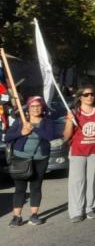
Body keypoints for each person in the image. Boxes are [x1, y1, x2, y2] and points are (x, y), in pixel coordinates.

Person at [64, 85, 95, 223]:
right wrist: (69, 121)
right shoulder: (74, 113)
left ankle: (89, 208)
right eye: (86, 95)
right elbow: (66, 136)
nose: (89, 97)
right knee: (77, 181)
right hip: (78, 150)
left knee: (92, 179)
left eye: (91, 94)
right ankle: (76, 211)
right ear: (80, 97)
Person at [5, 97, 54, 227]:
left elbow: (49, 136)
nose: (36, 108)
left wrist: (34, 128)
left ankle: (34, 215)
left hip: (40, 159)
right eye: (33, 106)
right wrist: (21, 132)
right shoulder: (20, 121)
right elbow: (7, 137)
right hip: (20, 158)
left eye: (38, 106)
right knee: (20, 188)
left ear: (42, 108)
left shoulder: (47, 122)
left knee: (36, 186)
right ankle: (16, 217)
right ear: (28, 108)